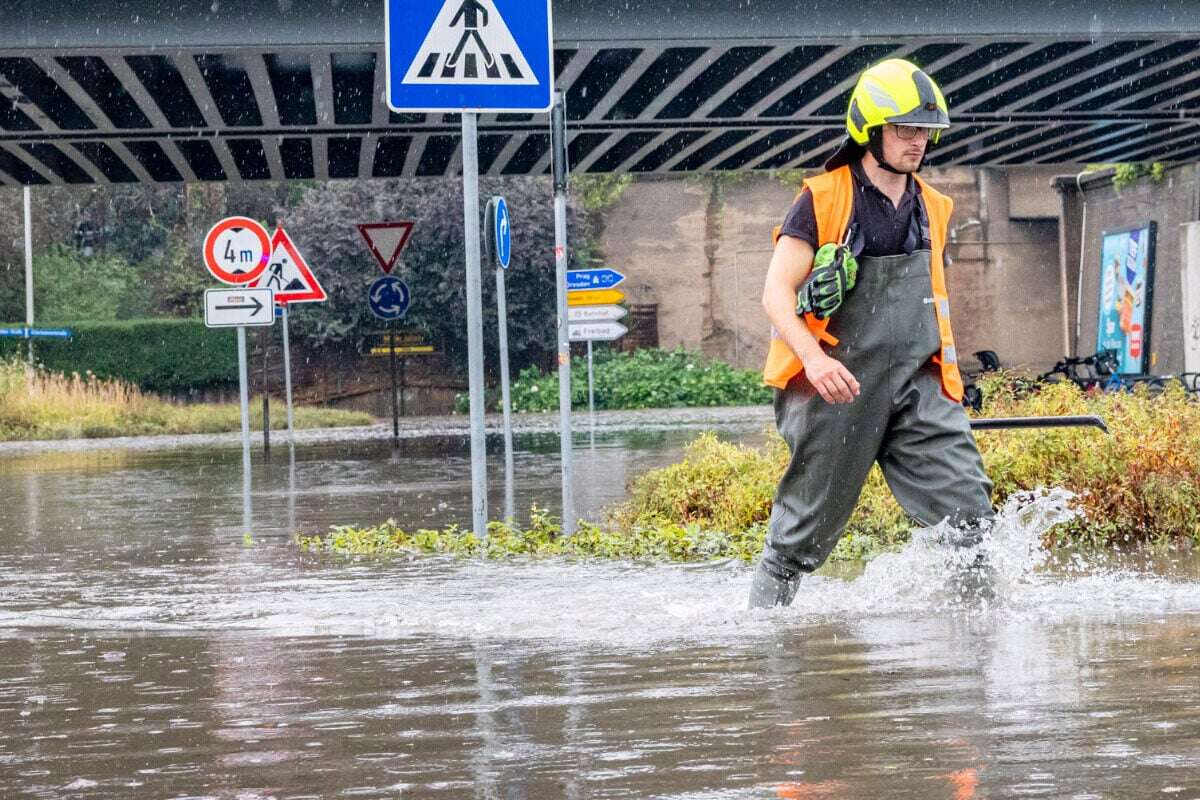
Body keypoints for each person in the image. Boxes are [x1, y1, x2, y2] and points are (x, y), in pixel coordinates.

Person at [749, 58, 995, 609]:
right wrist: (813, 360)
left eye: (925, 131)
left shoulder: (935, 206)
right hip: (832, 386)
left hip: (917, 382)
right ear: (869, 129)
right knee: (799, 540)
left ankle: (981, 640)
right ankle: (763, 643)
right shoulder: (822, 198)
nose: (918, 142)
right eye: (905, 129)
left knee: (970, 517)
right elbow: (774, 295)